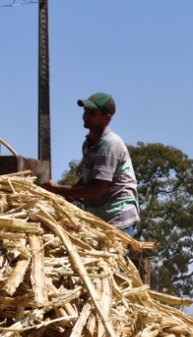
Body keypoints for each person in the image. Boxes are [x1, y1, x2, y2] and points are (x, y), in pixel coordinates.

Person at [42, 92, 140, 237]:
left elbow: (95, 190)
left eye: (92, 113)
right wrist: (65, 199)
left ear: (107, 118)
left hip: (118, 219)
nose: (85, 117)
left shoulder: (110, 144)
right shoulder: (89, 144)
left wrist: (56, 189)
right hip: (101, 218)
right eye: (85, 112)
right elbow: (90, 179)